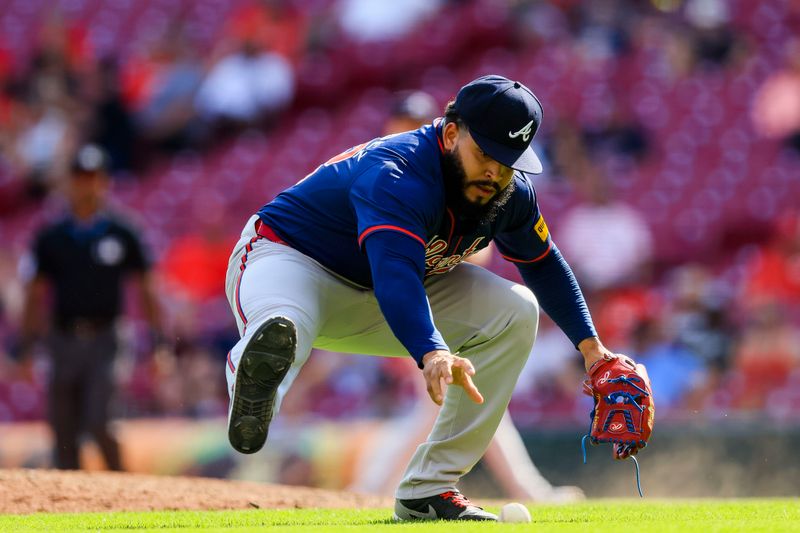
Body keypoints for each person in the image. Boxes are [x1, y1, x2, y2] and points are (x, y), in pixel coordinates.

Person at [224, 75, 616, 521]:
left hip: (384, 293)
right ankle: (254, 386)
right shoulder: (398, 172)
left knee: (515, 311)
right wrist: (431, 349)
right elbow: (395, 273)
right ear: (451, 133)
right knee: (286, 322)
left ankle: (427, 490)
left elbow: (543, 263)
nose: (495, 171)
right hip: (290, 259)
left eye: (508, 160)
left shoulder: (508, 190)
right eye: (485, 153)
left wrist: (593, 349)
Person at [345, 90, 583, 502]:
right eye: (397, 125)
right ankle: (381, 486)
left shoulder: (458, 178)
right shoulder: (390, 170)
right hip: (397, 302)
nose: (403, 132)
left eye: (411, 123)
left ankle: (374, 486)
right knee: (455, 402)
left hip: (442, 306)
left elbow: (481, 251)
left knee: (458, 402)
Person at [18, 144, 163, 471]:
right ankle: (71, 508)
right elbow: (34, 293)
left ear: (105, 181)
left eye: (93, 177)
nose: (87, 184)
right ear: (70, 182)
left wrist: (158, 343)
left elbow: (146, 289)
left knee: (100, 421)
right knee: (63, 433)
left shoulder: (123, 231)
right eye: (81, 177)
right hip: (63, 338)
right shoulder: (50, 237)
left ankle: (122, 490)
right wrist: (26, 348)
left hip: (106, 338)